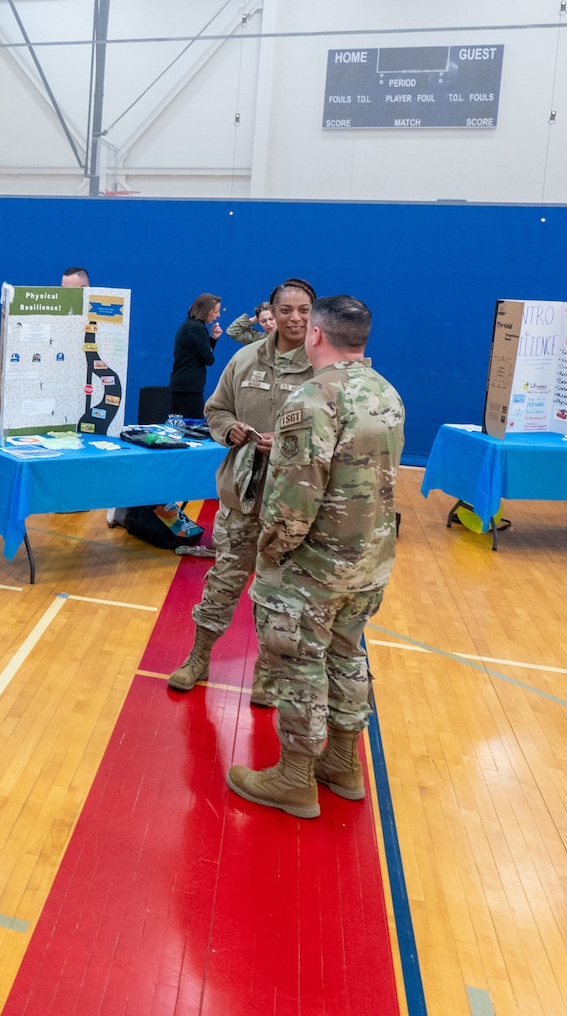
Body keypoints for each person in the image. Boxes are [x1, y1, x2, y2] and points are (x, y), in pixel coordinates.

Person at [226, 295, 403, 820]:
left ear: (317, 335)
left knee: (299, 663)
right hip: (368, 562)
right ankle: (344, 765)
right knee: (348, 657)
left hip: (314, 567)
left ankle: (295, 777)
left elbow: (295, 495)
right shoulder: (386, 393)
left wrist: (272, 552)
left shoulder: (313, 398)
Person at [168, 279, 317, 696]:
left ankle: (269, 673)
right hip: (242, 494)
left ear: (315, 313)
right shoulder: (245, 359)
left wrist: (288, 446)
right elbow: (215, 408)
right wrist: (228, 429)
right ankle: (198, 657)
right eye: (285, 310)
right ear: (270, 312)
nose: (295, 318)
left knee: (280, 597)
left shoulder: (323, 367)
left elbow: (336, 434)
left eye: (304, 310)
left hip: (292, 505)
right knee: (222, 582)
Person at [169, 294, 223, 420]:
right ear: (206, 311)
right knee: (194, 426)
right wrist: (212, 340)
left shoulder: (187, 325)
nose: (218, 315)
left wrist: (213, 338)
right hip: (190, 388)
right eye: (216, 311)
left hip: (179, 385)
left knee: (176, 425)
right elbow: (208, 359)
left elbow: (199, 353)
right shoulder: (197, 328)